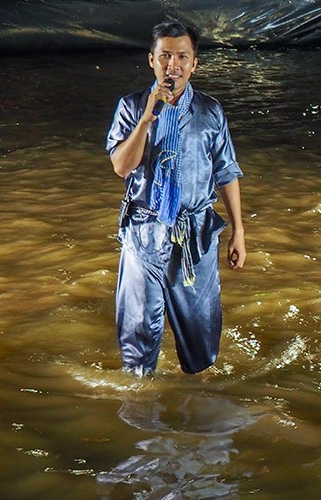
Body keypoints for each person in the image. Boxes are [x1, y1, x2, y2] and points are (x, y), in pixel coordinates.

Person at [106, 21, 246, 376]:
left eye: (182, 56)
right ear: (151, 60)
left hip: (195, 236)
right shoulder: (131, 106)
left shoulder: (210, 111)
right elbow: (122, 167)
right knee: (136, 342)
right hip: (143, 234)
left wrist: (239, 233)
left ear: (194, 63)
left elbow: (226, 172)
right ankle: (142, 415)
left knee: (201, 348)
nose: (173, 65)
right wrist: (146, 119)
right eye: (165, 56)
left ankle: (197, 416)